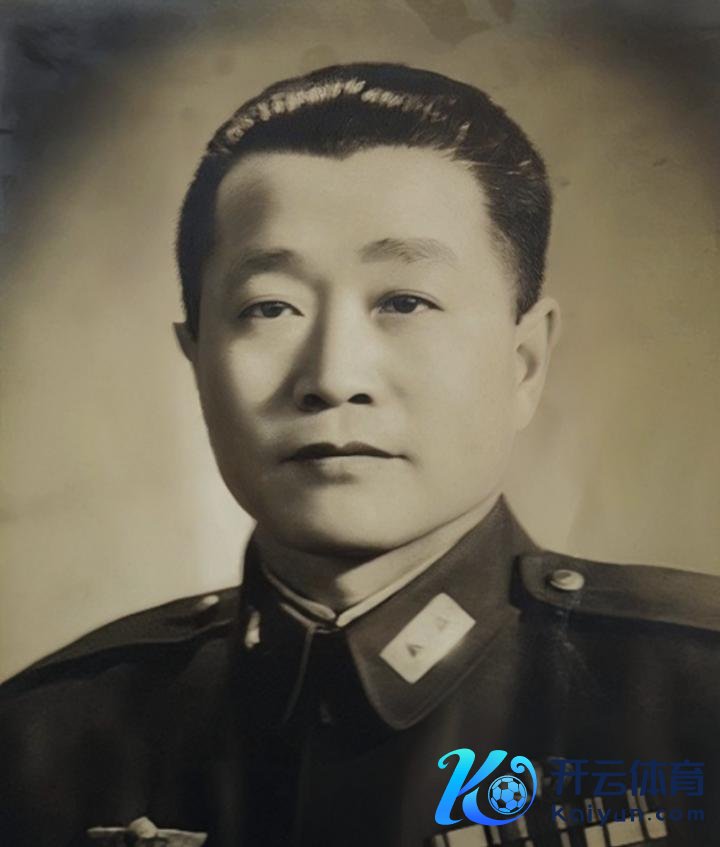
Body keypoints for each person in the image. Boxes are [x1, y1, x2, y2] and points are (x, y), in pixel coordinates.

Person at [1, 62, 718, 847]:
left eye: (405, 301)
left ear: (524, 362)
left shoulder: (694, 694)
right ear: (197, 360)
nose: (334, 377)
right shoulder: (41, 739)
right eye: (270, 307)